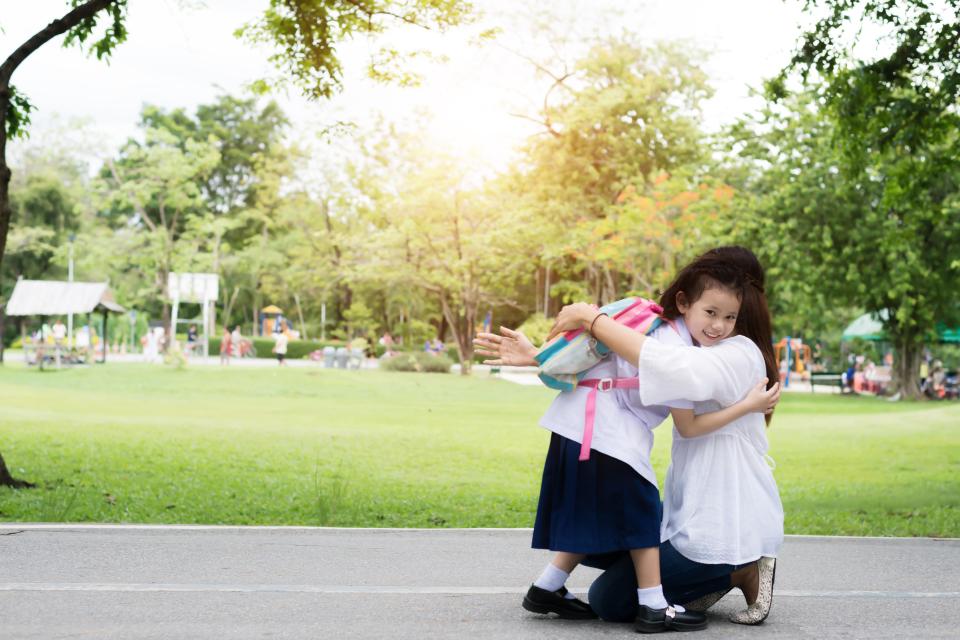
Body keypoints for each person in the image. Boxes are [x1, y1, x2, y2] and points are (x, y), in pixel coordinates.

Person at [474, 246, 781, 633]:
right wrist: (551, 346)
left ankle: (547, 586)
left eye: (729, 316)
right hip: (607, 433)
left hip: (579, 425)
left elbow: (605, 359)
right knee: (639, 514)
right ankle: (653, 605)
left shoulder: (660, 330)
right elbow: (647, 374)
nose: (718, 324)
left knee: (604, 511)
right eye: (710, 313)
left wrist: (570, 334)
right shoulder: (671, 340)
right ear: (685, 302)